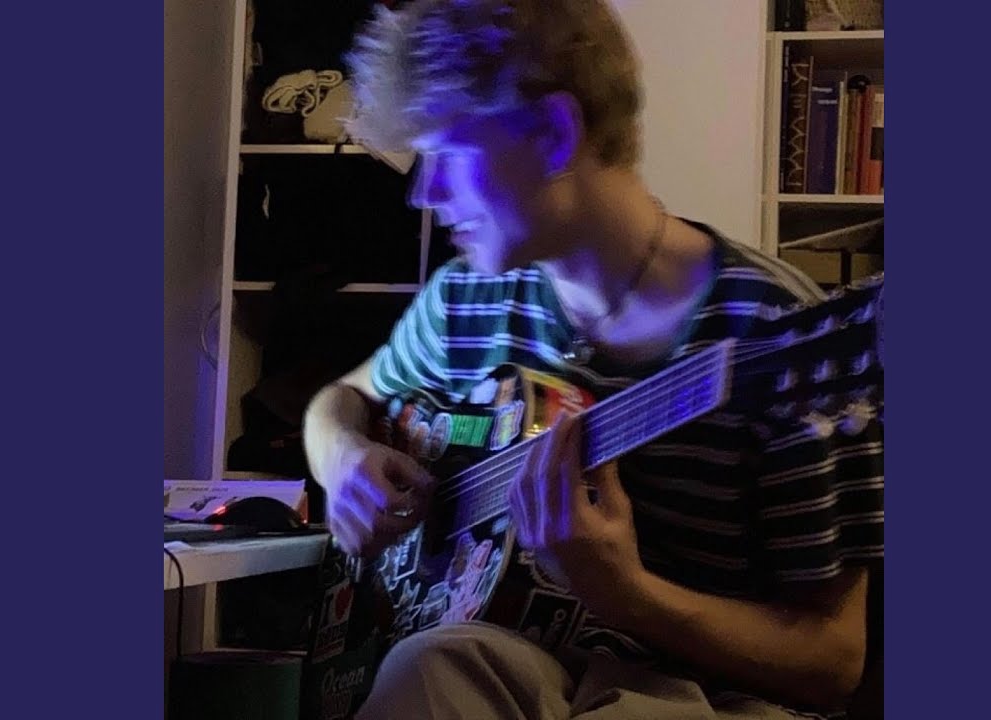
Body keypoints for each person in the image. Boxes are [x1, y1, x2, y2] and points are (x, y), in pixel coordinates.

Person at [301, 1, 884, 718]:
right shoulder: (465, 301)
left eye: (444, 154)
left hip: (711, 701)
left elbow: (833, 664)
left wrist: (627, 595)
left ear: (554, 132)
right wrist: (343, 455)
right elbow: (340, 399)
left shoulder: (778, 331)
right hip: (508, 670)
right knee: (437, 665)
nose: (423, 193)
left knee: (440, 668)